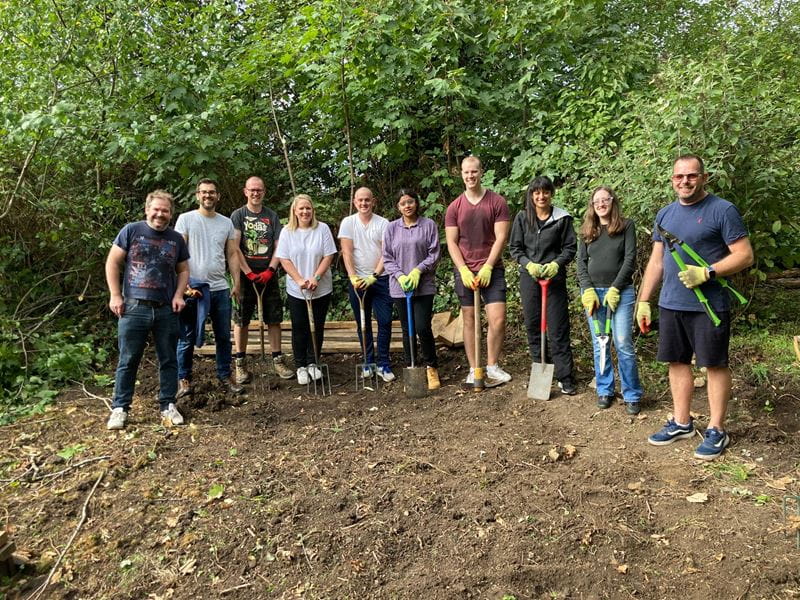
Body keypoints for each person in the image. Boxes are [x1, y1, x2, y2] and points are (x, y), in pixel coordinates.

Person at [637, 154, 753, 460]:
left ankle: (716, 429)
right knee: (676, 362)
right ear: (672, 180)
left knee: (713, 364)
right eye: (679, 177)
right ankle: (682, 422)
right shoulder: (664, 215)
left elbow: (744, 255)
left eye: (691, 176)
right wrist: (644, 301)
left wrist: (708, 272)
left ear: (704, 177)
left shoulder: (722, 210)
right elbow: (657, 261)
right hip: (671, 303)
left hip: (709, 305)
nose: (685, 181)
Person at [105, 190, 189, 429]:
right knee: (128, 359)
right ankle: (120, 408)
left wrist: (178, 294)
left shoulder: (175, 239)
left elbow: (183, 270)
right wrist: (115, 295)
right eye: (156, 209)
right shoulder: (131, 231)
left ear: (171, 214)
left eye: (165, 211)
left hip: (165, 310)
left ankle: (168, 405)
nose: (160, 214)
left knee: (169, 359)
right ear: (147, 209)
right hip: (133, 307)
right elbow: (112, 261)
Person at [445, 156, 512, 385]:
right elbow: (452, 242)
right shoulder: (454, 207)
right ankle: (475, 369)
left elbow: (501, 236)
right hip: (465, 270)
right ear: (461, 174)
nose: (470, 176)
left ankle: (492, 366)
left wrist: (488, 266)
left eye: (474, 172)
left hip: (491, 269)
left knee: (498, 319)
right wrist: (463, 269)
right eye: (466, 172)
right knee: (469, 318)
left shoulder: (497, 202)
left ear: (481, 172)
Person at [174, 179, 243, 397]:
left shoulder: (226, 223)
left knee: (223, 336)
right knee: (187, 337)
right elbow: (178, 252)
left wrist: (236, 282)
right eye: (204, 192)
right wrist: (182, 285)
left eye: (212, 192)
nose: (208, 196)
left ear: (218, 196)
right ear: (197, 195)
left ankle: (224, 375)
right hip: (192, 288)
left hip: (220, 288)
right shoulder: (186, 219)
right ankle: (183, 378)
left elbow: (232, 253)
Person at [509, 176, 578, 395]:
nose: (541, 196)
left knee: (557, 327)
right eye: (536, 192)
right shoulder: (522, 218)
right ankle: (541, 369)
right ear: (531, 195)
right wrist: (527, 264)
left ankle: (565, 376)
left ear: (551, 194)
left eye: (545, 192)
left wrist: (557, 264)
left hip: (553, 279)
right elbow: (515, 248)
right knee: (533, 325)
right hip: (530, 278)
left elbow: (570, 248)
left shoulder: (562, 218)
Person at [577, 186, 643, 412]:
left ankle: (632, 393)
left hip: (621, 293)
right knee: (600, 343)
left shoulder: (626, 226)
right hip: (594, 294)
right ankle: (604, 390)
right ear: (592, 206)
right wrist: (587, 289)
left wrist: (616, 288)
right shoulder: (587, 230)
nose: (601, 204)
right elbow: (581, 264)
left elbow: (630, 259)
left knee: (623, 342)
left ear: (613, 201)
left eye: (605, 200)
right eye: (597, 201)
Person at [230, 176, 294, 382]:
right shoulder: (238, 215)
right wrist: (247, 272)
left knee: (274, 319)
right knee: (241, 319)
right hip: (244, 274)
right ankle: (240, 363)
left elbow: (279, 246)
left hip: (268, 274)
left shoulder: (271, 216)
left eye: (259, 190)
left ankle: (277, 359)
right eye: (252, 190)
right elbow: (234, 247)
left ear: (264, 192)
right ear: (245, 191)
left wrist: (270, 270)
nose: (256, 193)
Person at [382, 189, 441, 390]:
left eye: (410, 202)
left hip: (423, 286)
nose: (407, 206)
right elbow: (387, 257)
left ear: (416, 203)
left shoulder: (428, 225)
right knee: (407, 330)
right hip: (400, 288)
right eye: (403, 203)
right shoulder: (391, 229)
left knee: (422, 327)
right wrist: (400, 276)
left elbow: (434, 254)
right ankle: (411, 366)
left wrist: (418, 271)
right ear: (398, 207)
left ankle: (431, 367)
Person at [276, 194, 337, 384]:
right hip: (297, 289)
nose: (305, 212)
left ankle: (313, 362)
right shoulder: (287, 231)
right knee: (299, 327)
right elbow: (284, 259)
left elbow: (329, 255)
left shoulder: (322, 229)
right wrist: (299, 279)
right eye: (301, 208)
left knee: (317, 327)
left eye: (308, 208)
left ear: (313, 210)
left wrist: (316, 277)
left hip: (320, 288)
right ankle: (301, 364)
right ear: (294, 211)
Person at [339, 187, 395, 382]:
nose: (364, 203)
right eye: (360, 200)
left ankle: (383, 363)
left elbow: (386, 253)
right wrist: (353, 276)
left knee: (385, 321)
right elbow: (346, 252)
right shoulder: (348, 223)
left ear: (373, 201)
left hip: (381, 279)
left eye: (367, 200)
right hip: (357, 281)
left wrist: (374, 274)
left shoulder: (384, 223)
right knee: (363, 324)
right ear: (354, 202)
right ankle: (368, 361)